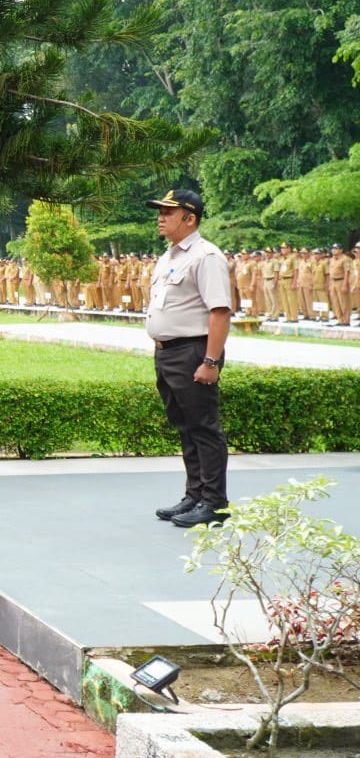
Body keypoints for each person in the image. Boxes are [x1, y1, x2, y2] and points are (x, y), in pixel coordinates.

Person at [145, 189, 232, 529]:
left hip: (194, 351)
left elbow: (220, 312)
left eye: (168, 212)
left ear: (189, 217)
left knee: (205, 428)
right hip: (167, 352)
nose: (160, 217)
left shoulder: (205, 256)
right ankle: (195, 494)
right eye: (160, 212)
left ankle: (214, 502)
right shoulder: (168, 257)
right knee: (185, 426)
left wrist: (210, 362)